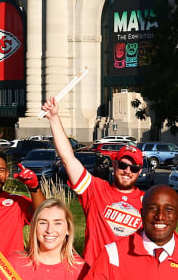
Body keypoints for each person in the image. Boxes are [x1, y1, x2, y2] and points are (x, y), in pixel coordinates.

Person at [43, 95, 144, 266]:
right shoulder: (95, 189)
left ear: (140, 171)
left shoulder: (146, 202)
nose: (127, 171)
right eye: (123, 165)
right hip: (94, 272)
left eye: (134, 168)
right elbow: (68, 159)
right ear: (114, 164)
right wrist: (54, 118)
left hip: (127, 276)